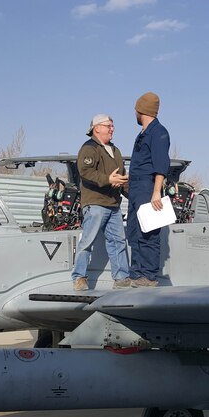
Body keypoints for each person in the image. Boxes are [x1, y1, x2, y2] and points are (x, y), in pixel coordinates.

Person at [71, 113, 132, 291]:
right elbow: (86, 172)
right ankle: (79, 277)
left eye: (113, 126)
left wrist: (136, 197)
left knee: (118, 241)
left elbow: (121, 179)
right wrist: (108, 179)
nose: (112, 129)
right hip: (95, 204)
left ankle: (121, 278)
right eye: (108, 126)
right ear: (96, 128)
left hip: (113, 205)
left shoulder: (115, 150)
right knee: (87, 241)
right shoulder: (89, 148)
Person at [126, 92, 170, 287]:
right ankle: (136, 273)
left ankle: (149, 276)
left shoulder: (159, 132)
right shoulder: (143, 133)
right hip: (136, 188)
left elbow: (161, 165)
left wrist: (156, 192)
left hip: (148, 187)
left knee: (148, 233)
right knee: (134, 232)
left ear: (141, 110)